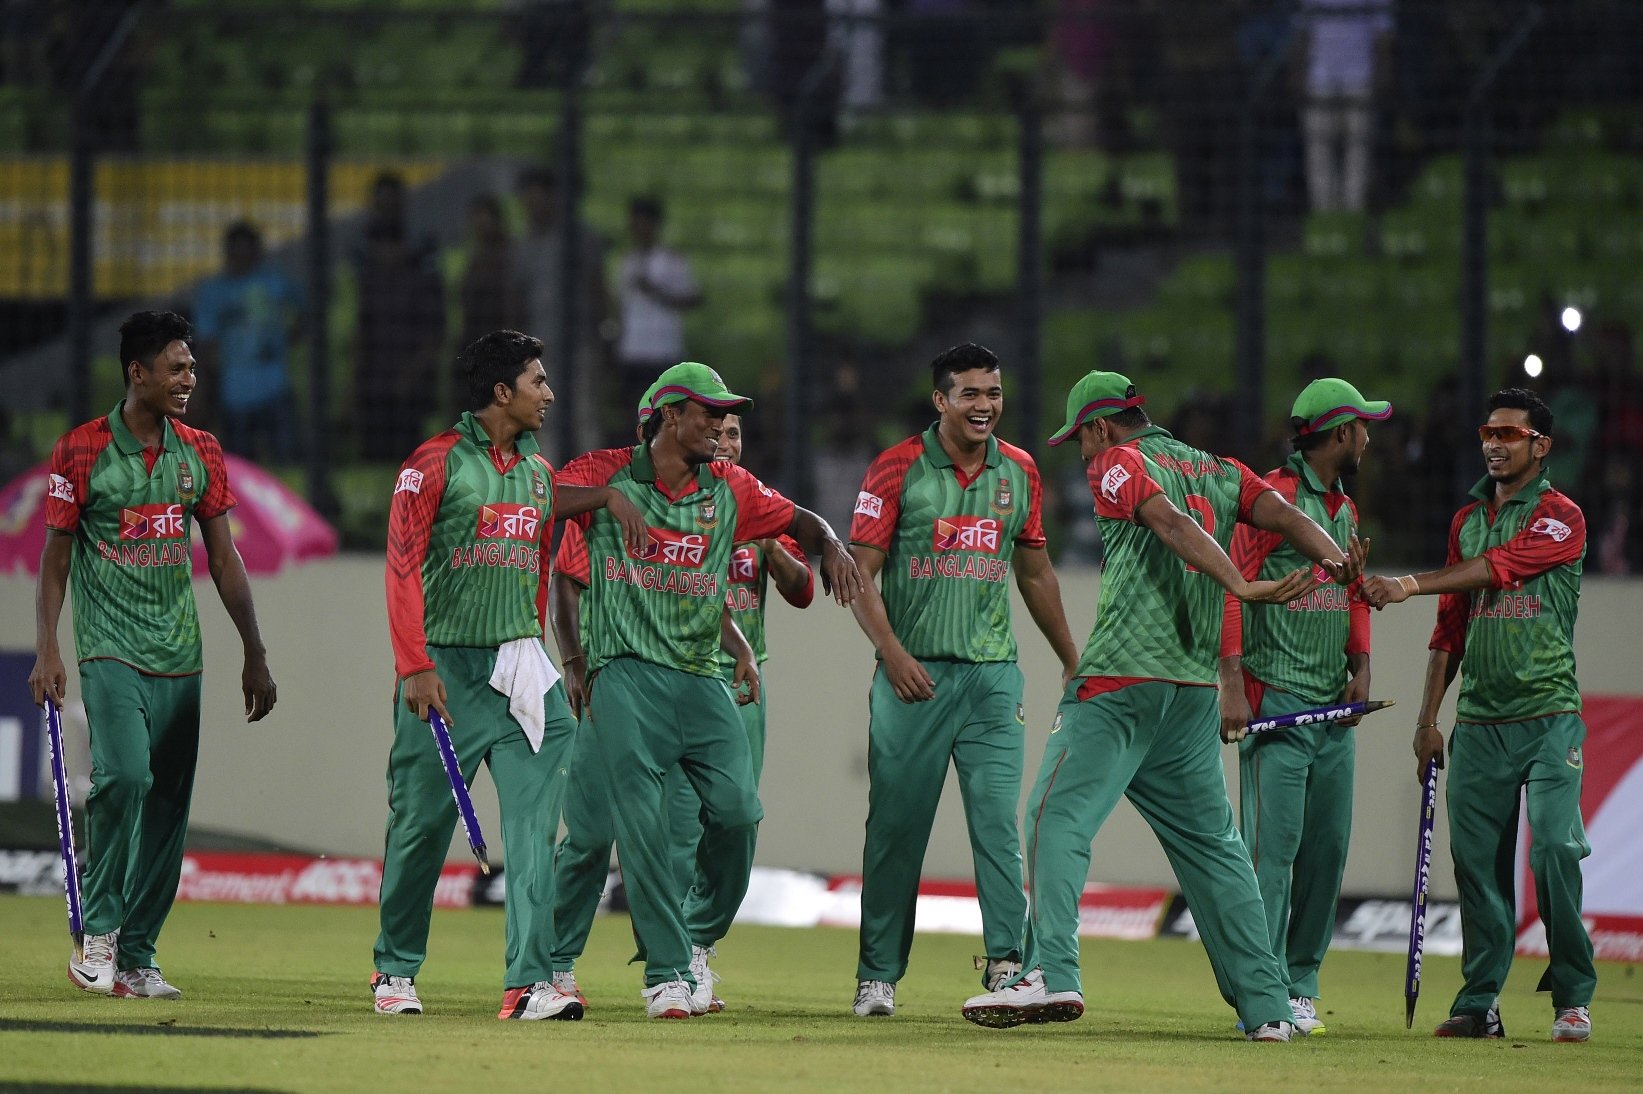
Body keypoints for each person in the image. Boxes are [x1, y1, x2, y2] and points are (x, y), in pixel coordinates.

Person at [959, 370, 1361, 1042]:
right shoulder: (1217, 468)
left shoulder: (1118, 461)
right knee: (1216, 850)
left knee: (1051, 815)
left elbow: (1167, 522)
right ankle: (1267, 1008)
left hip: (1120, 682)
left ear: (1099, 426)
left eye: (1080, 442)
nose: (1081, 458)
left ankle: (1051, 969)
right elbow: (1288, 517)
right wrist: (1336, 561)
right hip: (1190, 693)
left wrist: (1241, 582)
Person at [556, 360, 861, 1019]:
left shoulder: (730, 489)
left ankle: (692, 940)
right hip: (624, 672)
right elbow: (536, 506)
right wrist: (575, 660)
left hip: (704, 679)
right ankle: (596, 968)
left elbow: (793, 535)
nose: (724, 431)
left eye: (730, 423)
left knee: (737, 814)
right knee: (606, 831)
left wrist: (829, 542)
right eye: (710, 417)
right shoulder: (601, 473)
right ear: (669, 417)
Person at [370, 329, 644, 1021]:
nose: (549, 394)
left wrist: (607, 499)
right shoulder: (431, 466)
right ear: (501, 392)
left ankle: (528, 985)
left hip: (525, 668)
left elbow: (546, 502)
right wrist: (415, 665)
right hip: (446, 672)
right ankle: (394, 972)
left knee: (532, 833)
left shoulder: (534, 467)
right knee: (420, 827)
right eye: (538, 382)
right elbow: (401, 569)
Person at [28, 310, 277, 999]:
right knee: (126, 780)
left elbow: (224, 560)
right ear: (137, 373)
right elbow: (53, 563)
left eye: (192, 367)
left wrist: (253, 652)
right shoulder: (78, 451)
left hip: (182, 657)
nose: (189, 379)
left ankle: (137, 956)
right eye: (176, 367)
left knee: (168, 809)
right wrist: (50, 648)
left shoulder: (201, 450)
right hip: (110, 650)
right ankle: (98, 938)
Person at [846, 343, 1081, 1018]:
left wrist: (1069, 655)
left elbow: (1033, 571)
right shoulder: (894, 469)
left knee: (997, 826)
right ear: (939, 401)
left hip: (991, 681)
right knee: (895, 829)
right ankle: (877, 976)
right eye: (970, 394)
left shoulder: (1022, 472)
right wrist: (890, 653)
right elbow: (858, 572)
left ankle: (1009, 963)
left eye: (993, 393)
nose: (984, 406)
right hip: (911, 680)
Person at [1363, 387, 1596, 1044]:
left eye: (1509, 434)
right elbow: (1449, 632)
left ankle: (1572, 994)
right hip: (1480, 725)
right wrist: (1425, 720)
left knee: (1552, 848)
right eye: (1486, 432)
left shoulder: (1561, 517)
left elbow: (1499, 569)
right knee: (1475, 867)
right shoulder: (1466, 519)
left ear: (1539, 446)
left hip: (1548, 716)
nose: (1494, 443)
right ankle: (1479, 1003)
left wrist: (1407, 583)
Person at [1217, 377, 1391, 1036]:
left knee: (1325, 852)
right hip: (1276, 700)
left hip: (1331, 707)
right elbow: (1230, 585)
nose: (1369, 438)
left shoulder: (1343, 511)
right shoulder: (1272, 499)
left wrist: (1362, 664)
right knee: (1272, 853)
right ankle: (1261, 993)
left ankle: (1300, 986)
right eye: (1363, 427)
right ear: (1341, 433)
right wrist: (1231, 683)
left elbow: (1350, 595)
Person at [513, 166, 611, 457]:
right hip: (537, 350)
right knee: (542, 419)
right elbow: (517, 299)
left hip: (580, 343)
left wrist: (604, 334)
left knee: (585, 416)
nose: (532, 205)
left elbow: (598, 290)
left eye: (539, 197)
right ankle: (549, 491)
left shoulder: (581, 238)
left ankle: (590, 489)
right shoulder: (524, 245)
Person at [191, 221, 303, 463]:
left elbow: (307, 307)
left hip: (275, 387)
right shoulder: (213, 291)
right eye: (237, 250)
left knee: (288, 461)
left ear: (257, 252)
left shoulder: (274, 282)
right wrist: (203, 390)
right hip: (234, 393)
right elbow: (206, 344)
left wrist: (293, 335)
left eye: (246, 250)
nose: (242, 257)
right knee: (240, 466)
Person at [356, 220, 446, 461]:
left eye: (390, 244)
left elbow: (434, 336)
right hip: (376, 386)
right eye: (379, 245)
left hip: (412, 389)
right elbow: (363, 334)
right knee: (375, 452)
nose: (385, 252)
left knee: (411, 451)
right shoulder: (370, 283)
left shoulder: (421, 283)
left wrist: (411, 374)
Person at [614, 196, 702, 429]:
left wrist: (658, 293)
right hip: (632, 349)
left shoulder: (672, 261)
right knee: (633, 412)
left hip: (663, 349)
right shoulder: (627, 261)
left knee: (665, 412)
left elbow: (693, 298)